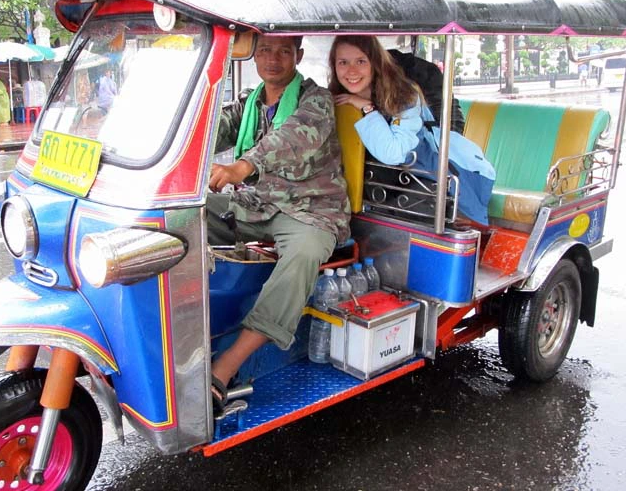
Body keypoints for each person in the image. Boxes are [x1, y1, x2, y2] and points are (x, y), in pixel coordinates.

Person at [208, 35, 350, 412]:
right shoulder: (251, 102)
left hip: (310, 210)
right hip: (256, 205)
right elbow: (211, 125)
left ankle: (225, 366)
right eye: (266, 50)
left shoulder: (314, 100)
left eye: (284, 51)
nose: (273, 59)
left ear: (298, 56)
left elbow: (291, 139)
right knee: (185, 212)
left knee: (303, 255)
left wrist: (242, 166)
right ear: (254, 55)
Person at [330, 36, 494, 225]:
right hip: (374, 191)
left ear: (374, 63)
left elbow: (393, 153)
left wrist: (368, 109)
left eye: (360, 61)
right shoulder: (336, 99)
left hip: (422, 183)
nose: (351, 70)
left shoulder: (403, 95)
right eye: (343, 62)